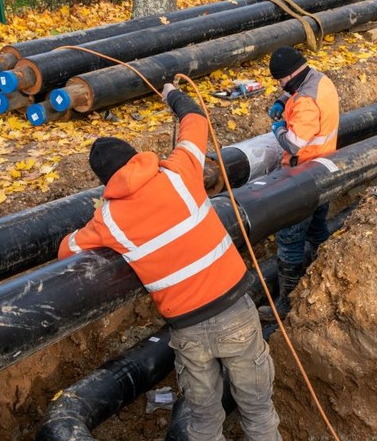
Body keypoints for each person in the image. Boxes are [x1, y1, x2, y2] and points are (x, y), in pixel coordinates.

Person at [58, 83, 280, 441]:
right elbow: (195, 120)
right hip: (235, 311)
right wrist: (172, 95)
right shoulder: (179, 171)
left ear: (105, 182)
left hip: (188, 329)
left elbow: (67, 250)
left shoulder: (109, 221)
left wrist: (98, 215)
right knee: (258, 411)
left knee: (204, 423)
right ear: (137, 156)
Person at [260, 47, 340, 320]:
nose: (281, 86)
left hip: (302, 176)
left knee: (289, 239)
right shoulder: (320, 80)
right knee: (317, 227)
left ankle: (286, 303)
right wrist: (283, 101)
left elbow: (294, 144)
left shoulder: (306, 102)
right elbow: (297, 89)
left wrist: (278, 128)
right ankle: (322, 277)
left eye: (281, 81)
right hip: (323, 171)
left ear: (291, 74)